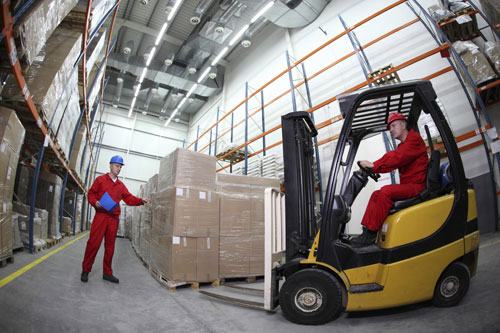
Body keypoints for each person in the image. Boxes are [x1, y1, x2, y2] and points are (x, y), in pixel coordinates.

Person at [350, 112, 429, 247]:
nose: (391, 130)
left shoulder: (414, 140)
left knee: (386, 191)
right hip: (408, 185)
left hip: (416, 186)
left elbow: (396, 158)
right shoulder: (402, 146)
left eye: (393, 126)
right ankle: (367, 231)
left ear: (403, 125)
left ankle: (371, 232)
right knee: (376, 194)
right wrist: (373, 168)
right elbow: (392, 161)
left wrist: (374, 165)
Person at [81, 155, 150, 283]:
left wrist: (141, 200)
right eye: (117, 166)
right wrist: (95, 202)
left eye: (120, 167)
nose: (119, 169)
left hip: (113, 218)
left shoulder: (120, 185)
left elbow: (129, 198)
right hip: (101, 216)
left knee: (110, 246)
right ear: (111, 165)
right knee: (93, 243)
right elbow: (91, 193)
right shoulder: (100, 180)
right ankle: (86, 270)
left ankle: (107, 273)